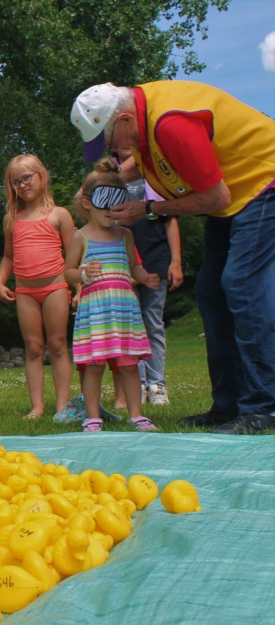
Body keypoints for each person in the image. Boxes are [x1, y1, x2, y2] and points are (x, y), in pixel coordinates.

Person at [70, 81, 275, 435]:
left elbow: (216, 197)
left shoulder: (170, 123)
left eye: (109, 141)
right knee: (212, 293)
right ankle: (228, 405)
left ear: (122, 120)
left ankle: (264, 407)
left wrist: (148, 208)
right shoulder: (141, 114)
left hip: (263, 185)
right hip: (236, 198)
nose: (114, 149)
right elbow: (141, 163)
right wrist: (106, 182)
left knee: (241, 284)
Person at [64, 159, 159, 433]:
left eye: (116, 200)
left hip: (123, 311)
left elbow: (134, 266)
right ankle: (92, 416)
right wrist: (83, 273)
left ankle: (137, 415)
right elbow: (66, 272)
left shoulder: (125, 234)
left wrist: (144, 277)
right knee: (94, 367)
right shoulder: (80, 237)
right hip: (95, 312)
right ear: (87, 202)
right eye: (103, 200)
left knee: (128, 366)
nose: (109, 208)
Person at [0, 154, 74, 420]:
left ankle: (63, 405)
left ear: (41, 175)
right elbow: (9, 256)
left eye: (27, 177)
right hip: (25, 292)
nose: (22, 185)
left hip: (55, 288)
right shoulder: (13, 219)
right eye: (16, 182)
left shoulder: (59, 215)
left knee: (58, 344)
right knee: (34, 347)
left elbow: (74, 256)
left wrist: (80, 288)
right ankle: (37, 407)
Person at [110, 167, 183, 408]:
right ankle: (138, 384)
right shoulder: (111, 181)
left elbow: (170, 221)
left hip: (155, 262)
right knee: (130, 326)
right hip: (124, 263)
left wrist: (176, 261)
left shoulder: (156, 176)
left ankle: (157, 384)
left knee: (152, 322)